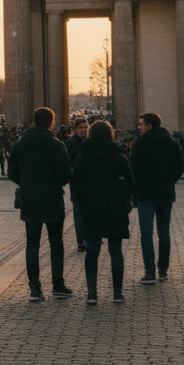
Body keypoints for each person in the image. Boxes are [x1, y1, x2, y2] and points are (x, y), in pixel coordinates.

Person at [8, 107, 74, 302]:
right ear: (51, 123)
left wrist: (26, 182)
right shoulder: (57, 146)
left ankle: (35, 289)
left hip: (29, 198)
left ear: (34, 121)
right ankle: (58, 284)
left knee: (32, 245)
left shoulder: (19, 145)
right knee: (56, 243)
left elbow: (12, 174)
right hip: (52, 198)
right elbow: (64, 176)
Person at [71, 120, 136, 305]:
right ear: (110, 135)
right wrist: (125, 201)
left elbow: (75, 187)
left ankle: (92, 293)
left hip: (92, 208)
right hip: (115, 208)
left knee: (92, 251)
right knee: (115, 250)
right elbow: (131, 184)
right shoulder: (120, 157)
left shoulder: (83, 157)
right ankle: (117, 293)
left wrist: (82, 203)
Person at [130, 112, 184, 284]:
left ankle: (150, 272)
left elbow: (133, 169)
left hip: (146, 195)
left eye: (141, 124)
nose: (138, 128)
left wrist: (136, 188)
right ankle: (163, 270)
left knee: (146, 233)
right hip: (166, 194)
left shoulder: (140, 144)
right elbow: (180, 167)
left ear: (149, 126)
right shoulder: (172, 143)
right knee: (164, 233)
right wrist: (170, 180)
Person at [64, 119, 89, 252]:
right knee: (78, 211)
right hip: (76, 183)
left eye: (86, 127)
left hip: (89, 182)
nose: (84, 130)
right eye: (81, 128)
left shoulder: (90, 143)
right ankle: (81, 240)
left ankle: (89, 237)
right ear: (75, 129)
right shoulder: (70, 143)